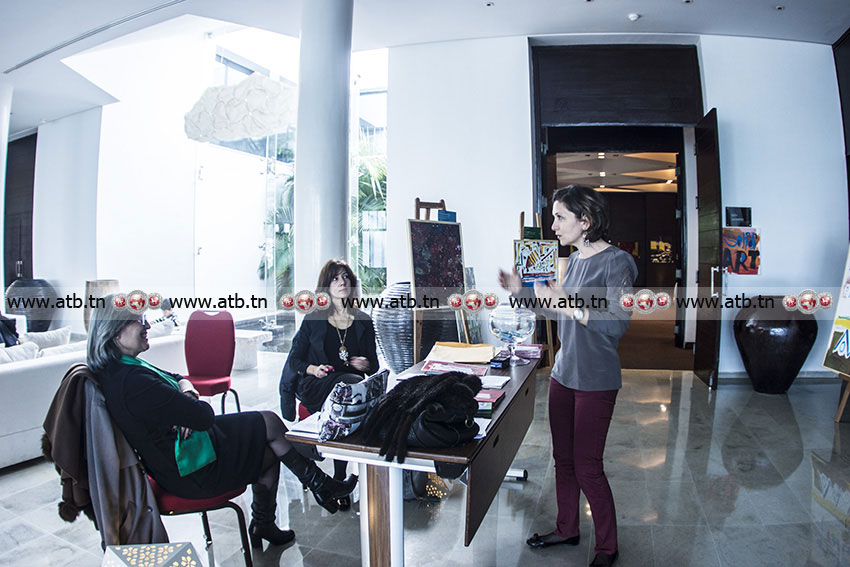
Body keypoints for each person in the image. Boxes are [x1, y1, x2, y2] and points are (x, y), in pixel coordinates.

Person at [88, 296, 357, 551]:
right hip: (191, 470)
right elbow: (203, 416)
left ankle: (273, 517)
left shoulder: (122, 368)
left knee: (269, 443)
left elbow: (178, 377)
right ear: (115, 331)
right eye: (139, 320)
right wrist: (188, 403)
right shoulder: (133, 382)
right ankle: (317, 489)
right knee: (269, 425)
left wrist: (186, 393)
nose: (147, 325)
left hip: (185, 455)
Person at [498, 184, 637, 567]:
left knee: (588, 466)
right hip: (563, 375)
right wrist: (521, 292)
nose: (554, 225)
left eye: (560, 217)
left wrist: (569, 304)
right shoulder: (573, 261)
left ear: (586, 220)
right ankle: (567, 528)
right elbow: (557, 310)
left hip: (596, 380)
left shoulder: (618, 263)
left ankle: (607, 547)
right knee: (563, 459)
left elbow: (618, 321)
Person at [279, 259, 379, 511]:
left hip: (348, 387)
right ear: (326, 286)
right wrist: (314, 369)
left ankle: (338, 476)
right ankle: (335, 477)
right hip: (316, 384)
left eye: (345, 277)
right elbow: (294, 360)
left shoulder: (364, 320)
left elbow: (375, 365)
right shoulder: (314, 318)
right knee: (349, 390)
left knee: (350, 391)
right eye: (335, 278)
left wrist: (365, 364)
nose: (342, 282)